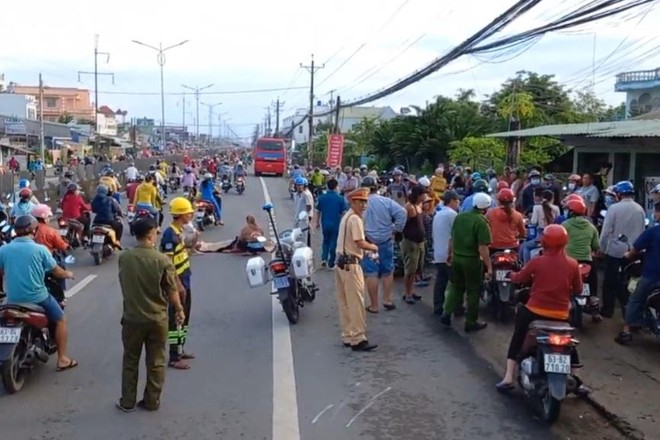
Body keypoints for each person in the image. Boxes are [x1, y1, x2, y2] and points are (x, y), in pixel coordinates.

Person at [495, 225, 582, 390]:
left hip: (534, 311)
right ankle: (577, 376)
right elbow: (578, 289)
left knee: (518, 336)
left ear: (544, 242)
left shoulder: (537, 262)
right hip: (561, 315)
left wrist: (510, 275)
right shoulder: (572, 264)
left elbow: (520, 277)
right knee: (568, 339)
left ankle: (508, 377)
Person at [116, 217, 184, 412]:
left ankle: (127, 401)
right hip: (157, 318)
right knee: (156, 361)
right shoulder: (162, 260)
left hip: (132, 318)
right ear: (150, 234)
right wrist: (179, 310)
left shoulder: (125, 258)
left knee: (130, 360)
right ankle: (152, 401)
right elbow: (172, 290)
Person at [0, 215, 77, 371]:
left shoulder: (3, 249)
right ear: (33, 230)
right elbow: (57, 272)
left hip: (12, 299)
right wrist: (68, 274)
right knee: (61, 319)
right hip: (37, 298)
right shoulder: (40, 249)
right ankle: (62, 359)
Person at [440, 192, 492, 332]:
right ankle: (471, 322)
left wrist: (450, 254)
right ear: (485, 207)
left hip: (457, 258)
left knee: (455, 287)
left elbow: (452, 238)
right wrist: (489, 267)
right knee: (473, 291)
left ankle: (446, 313)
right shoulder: (481, 222)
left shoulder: (460, 217)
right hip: (471, 261)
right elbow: (483, 248)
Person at [335, 188, 379, 352]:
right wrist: (373, 247)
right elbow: (359, 242)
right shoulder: (355, 219)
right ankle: (358, 338)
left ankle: (348, 335)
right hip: (351, 264)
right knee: (356, 303)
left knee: (344, 302)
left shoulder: (347, 217)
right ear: (352, 202)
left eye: (365, 202)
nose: (364, 205)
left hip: (341, 263)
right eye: (360, 202)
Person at [615, 201, 660, 344]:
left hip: (652, 276)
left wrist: (628, 254)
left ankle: (626, 332)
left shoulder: (653, 232)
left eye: (656, 212)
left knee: (635, 300)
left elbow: (634, 250)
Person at [599, 181, 646, 318]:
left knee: (609, 282)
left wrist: (601, 249)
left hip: (614, 251)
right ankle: (628, 311)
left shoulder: (614, 208)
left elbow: (605, 232)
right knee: (629, 283)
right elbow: (642, 231)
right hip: (633, 252)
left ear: (619, 194)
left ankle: (608, 310)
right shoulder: (640, 209)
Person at [361, 176, 407, 313]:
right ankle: (387, 300)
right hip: (386, 241)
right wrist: (396, 229)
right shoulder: (386, 202)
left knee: (371, 273)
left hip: (368, 242)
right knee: (387, 271)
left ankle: (374, 305)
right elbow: (402, 213)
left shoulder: (362, 203)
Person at [161, 197, 196, 370]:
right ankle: (174, 356)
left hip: (185, 280)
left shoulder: (178, 232)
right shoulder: (169, 234)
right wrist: (177, 286)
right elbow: (168, 264)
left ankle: (181, 348)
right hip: (178, 284)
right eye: (189, 212)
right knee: (176, 320)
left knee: (184, 318)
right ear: (182, 214)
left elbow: (184, 252)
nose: (191, 215)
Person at [562, 198, 602, 321]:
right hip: (587, 261)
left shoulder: (565, 225)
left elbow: (559, 241)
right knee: (593, 282)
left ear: (571, 212)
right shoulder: (591, 227)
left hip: (569, 261)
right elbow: (596, 247)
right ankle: (594, 304)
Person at [432, 191, 460, 315]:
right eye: (457, 200)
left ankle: (438, 306)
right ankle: (456, 307)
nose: (458, 203)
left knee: (440, 281)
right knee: (456, 283)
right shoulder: (453, 215)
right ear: (452, 201)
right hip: (449, 254)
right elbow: (456, 235)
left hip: (438, 253)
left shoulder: (438, 214)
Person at [401, 186, 427, 304]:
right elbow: (401, 223)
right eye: (423, 194)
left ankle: (411, 291)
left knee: (416, 268)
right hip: (411, 241)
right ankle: (407, 293)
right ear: (418, 195)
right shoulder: (409, 208)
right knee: (410, 269)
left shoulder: (419, 206)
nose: (425, 196)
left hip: (419, 241)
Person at [314, 178, 347, 269]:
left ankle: (324, 258)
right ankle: (331, 262)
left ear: (327, 186)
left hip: (325, 223)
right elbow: (344, 212)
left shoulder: (322, 198)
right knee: (334, 242)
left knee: (325, 241)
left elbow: (317, 211)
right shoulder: (340, 199)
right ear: (336, 187)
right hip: (336, 224)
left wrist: (317, 222)